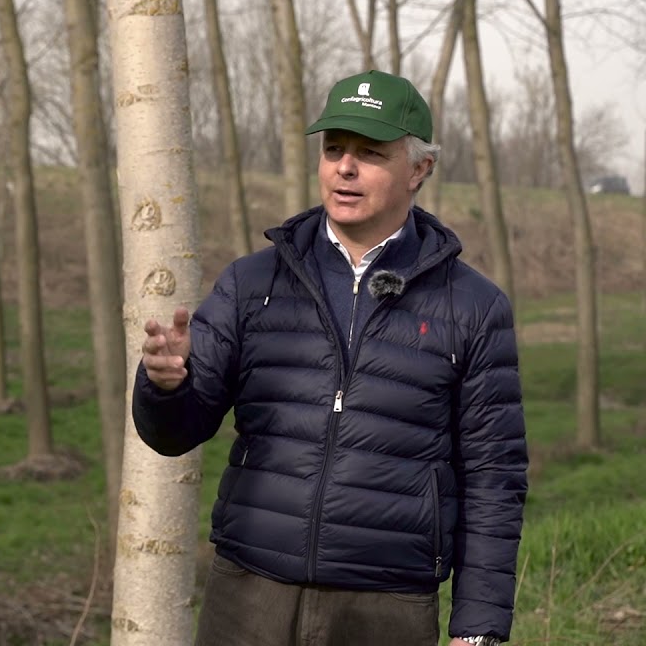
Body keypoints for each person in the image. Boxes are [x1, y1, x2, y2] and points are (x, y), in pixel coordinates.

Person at [134, 69, 527, 646]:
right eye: (334, 149)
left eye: (369, 153)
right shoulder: (253, 283)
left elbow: (495, 477)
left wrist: (480, 628)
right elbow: (175, 433)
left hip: (386, 606)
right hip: (248, 596)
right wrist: (164, 387)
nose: (345, 167)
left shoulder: (473, 306)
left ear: (420, 169)